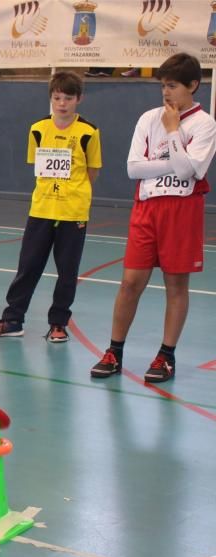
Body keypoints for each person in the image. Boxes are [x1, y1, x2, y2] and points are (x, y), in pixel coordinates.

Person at [91, 53, 216, 383]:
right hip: (147, 208)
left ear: (192, 85)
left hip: (182, 211)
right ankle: (114, 351)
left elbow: (193, 171)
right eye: (162, 86)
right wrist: (176, 162)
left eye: (172, 86)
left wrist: (174, 133)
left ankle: (166, 355)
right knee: (130, 282)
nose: (166, 92)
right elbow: (134, 168)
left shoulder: (204, 124)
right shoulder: (147, 119)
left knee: (176, 285)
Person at [0, 71, 101, 342]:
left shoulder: (89, 132)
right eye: (57, 97)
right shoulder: (37, 129)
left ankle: (58, 323)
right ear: (51, 98)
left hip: (73, 212)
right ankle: (13, 319)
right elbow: (38, 168)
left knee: (67, 272)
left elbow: (92, 172)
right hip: (41, 209)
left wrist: (73, 193)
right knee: (28, 267)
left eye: (68, 98)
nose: (62, 103)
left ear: (78, 99)